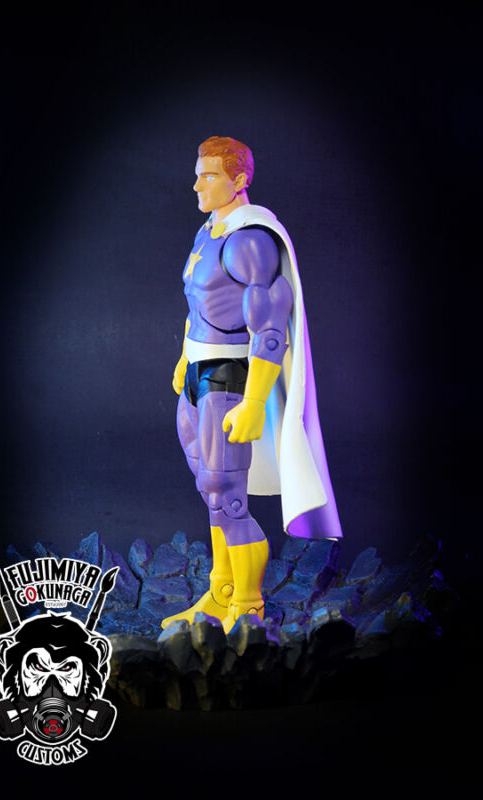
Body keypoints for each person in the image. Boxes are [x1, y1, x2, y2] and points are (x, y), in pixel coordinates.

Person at [161, 136, 342, 634]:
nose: (197, 184)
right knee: (209, 487)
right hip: (196, 373)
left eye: (209, 175)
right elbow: (198, 305)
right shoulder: (209, 232)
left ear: (239, 180)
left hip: (227, 377)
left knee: (227, 491)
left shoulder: (249, 240)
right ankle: (220, 593)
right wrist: (183, 357)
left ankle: (248, 604)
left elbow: (269, 327)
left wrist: (256, 401)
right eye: (198, 173)